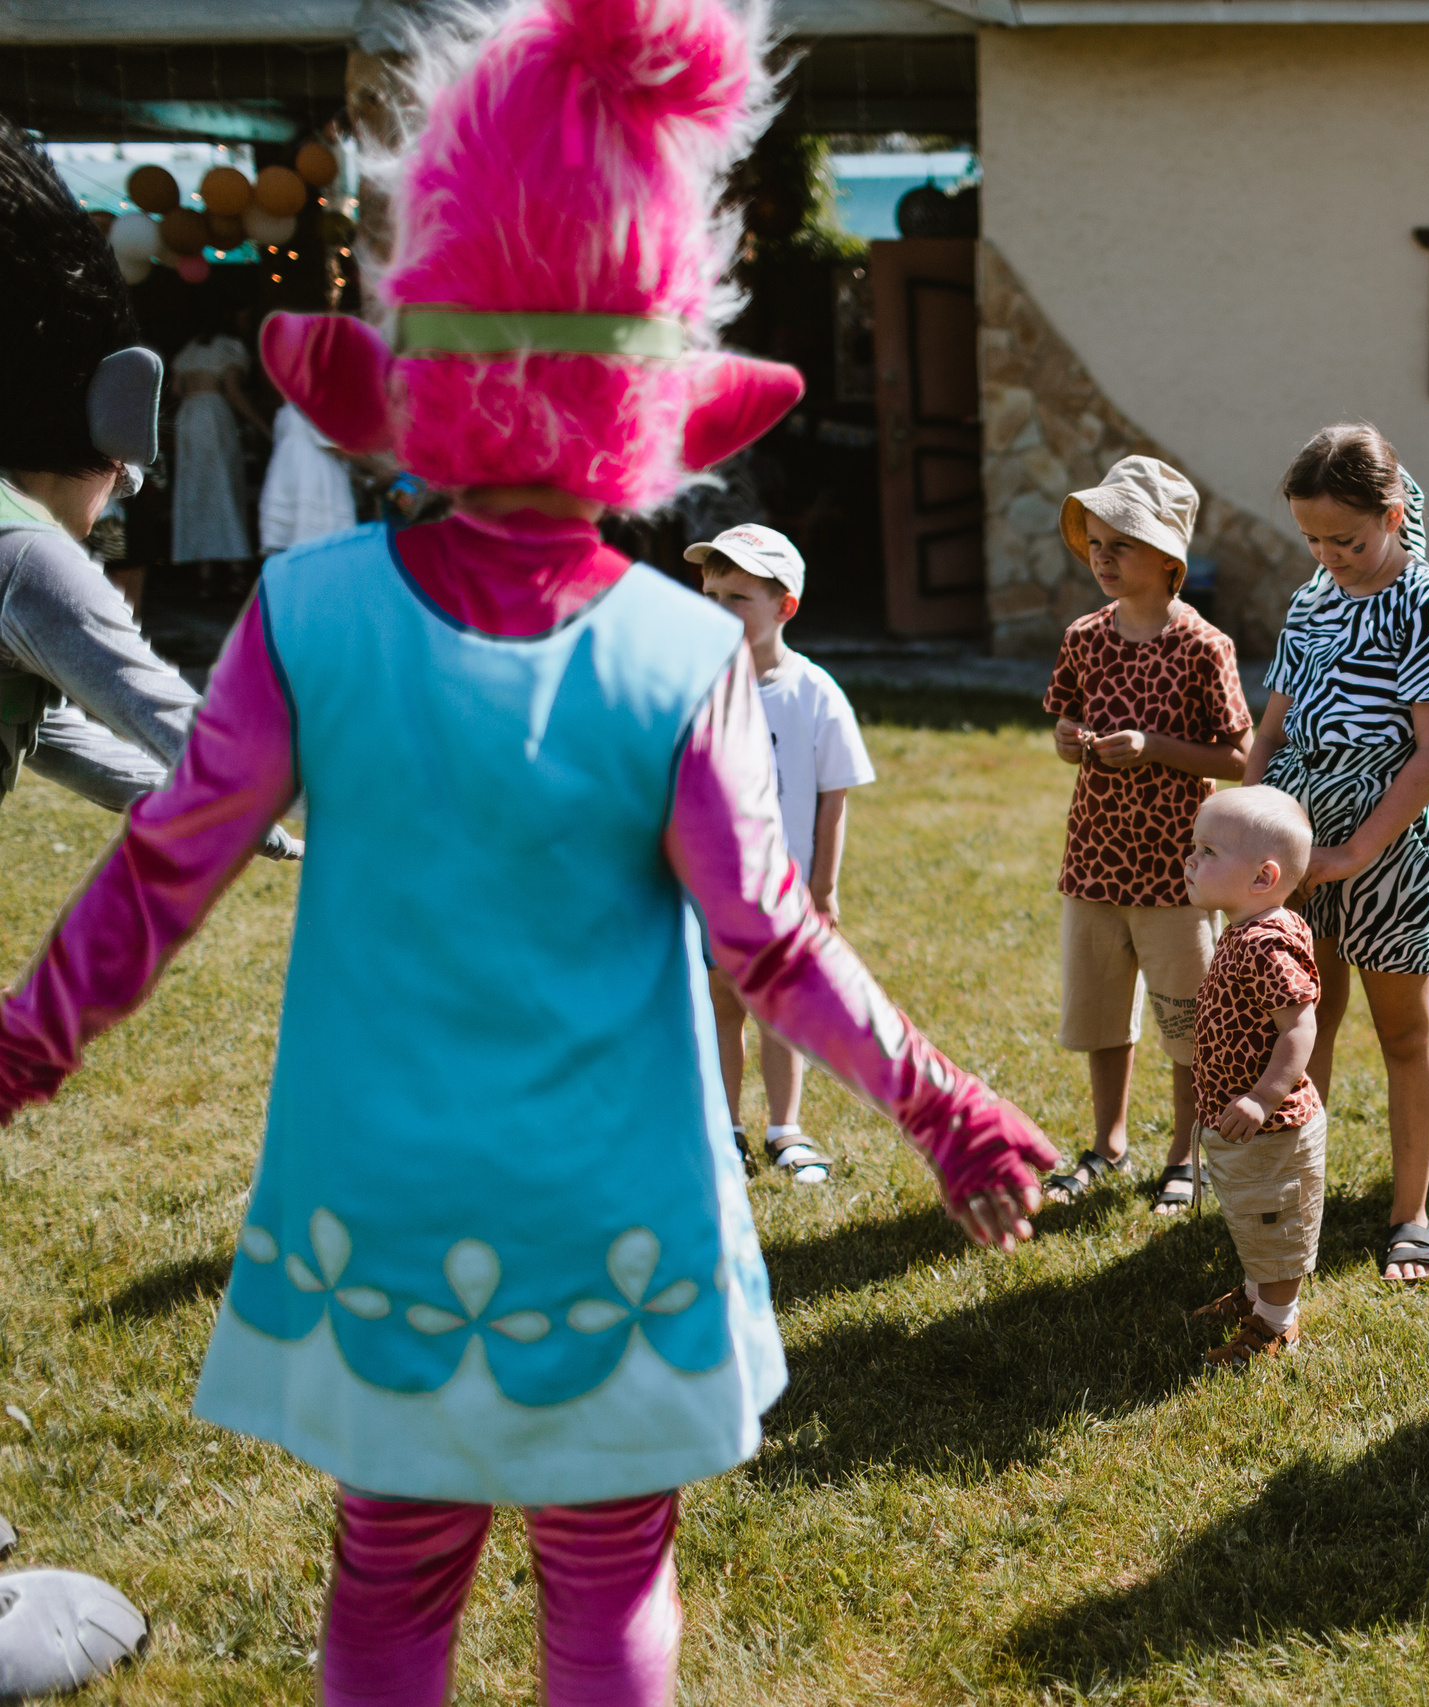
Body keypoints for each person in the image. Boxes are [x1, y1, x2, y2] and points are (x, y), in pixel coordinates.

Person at [0, 5, 1056, 1703]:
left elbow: (166, 867)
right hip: (613, 1223)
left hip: (383, 1213)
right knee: (611, 1578)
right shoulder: (684, 652)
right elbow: (770, 942)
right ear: (652, 388)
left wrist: (27, 1039)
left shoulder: (308, 613)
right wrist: (944, 1106)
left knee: (390, 1575)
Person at [0, 118, 296, 861]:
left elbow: (57, 735)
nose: (108, 508)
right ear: (101, 450)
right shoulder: (27, 552)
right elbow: (153, 701)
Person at [1244, 424, 1429, 1283]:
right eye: (1312, 538)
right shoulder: (1312, 598)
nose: (1329, 556)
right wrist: (1254, 820)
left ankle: (1410, 1214)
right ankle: (1300, 1192)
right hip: (1297, 847)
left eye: (1346, 539)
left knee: (1403, 1028)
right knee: (1306, 1016)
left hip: (1390, 852)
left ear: (1393, 513)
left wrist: (1355, 851)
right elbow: (1273, 726)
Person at [1040, 455, 1251, 1216]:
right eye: (1095, 544)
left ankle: (1185, 1155)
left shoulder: (1203, 646)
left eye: (1120, 544)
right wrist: (1070, 741)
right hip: (1094, 860)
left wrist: (1154, 747)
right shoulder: (1084, 637)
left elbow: (1238, 756)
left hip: (1176, 872)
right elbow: (1064, 720)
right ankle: (1107, 1143)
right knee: (1100, 1015)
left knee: (1188, 1023)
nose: (1102, 558)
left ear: (1168, 561)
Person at [684, 523, 875, 1186]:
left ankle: (784, 1128)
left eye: (737, 597)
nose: (718, 609)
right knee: (721, 1000)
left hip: (784, 893)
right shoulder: (696, 687)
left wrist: (823, 888)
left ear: (783, 607)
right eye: (710, 595)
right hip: (711, 886)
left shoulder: (812, 691)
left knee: (779, 1008)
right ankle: (726, 1127)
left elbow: (832, 794)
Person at [1178, 785, 1325, 1365]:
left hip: (1272, 1128)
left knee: (1276, 1223)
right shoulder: (1247, 926)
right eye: (1195, 847)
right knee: (1253, 1218)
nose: (1190, 859)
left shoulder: (1265, 945)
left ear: (1263, 877)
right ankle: (1256, 1294)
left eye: (1208, 851)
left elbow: (1300, 1028)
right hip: (1248, 1124)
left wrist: (1264, 1097)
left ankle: (1276, 1324)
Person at [169, 315, 259, 586]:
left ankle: (203, 570)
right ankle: (235, 565)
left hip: (188, 417)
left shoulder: (189, 349)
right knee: (224, 486)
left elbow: (176, 389)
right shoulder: (228, 347)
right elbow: (233, 392)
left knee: (195, 489)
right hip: (213, 417)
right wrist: (260, 424)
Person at [259, 395, 359, 558]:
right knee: (318, 544)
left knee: (296, 546)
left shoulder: (287, 409)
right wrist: (379, 468)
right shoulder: (313, 404)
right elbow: (332, 443)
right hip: (313, 480)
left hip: (292, 478)